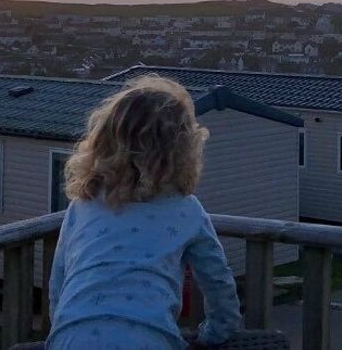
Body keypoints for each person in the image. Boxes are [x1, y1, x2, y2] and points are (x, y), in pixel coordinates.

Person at [46, 76, 241, 350]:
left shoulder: (84, 204)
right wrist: (215, 334)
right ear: (183, 150)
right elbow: (218, 284)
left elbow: (59, 285)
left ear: (103, 140)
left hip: (72, 335)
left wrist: (62, 330)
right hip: (148, 338)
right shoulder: (186, 211)